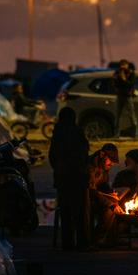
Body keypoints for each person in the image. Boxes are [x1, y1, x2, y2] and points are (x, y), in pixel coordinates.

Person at [48, 107, 90, 250]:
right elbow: (83, 154)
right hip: (78, 178)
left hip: (63, 179)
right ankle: (82, 243)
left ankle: (68, 243)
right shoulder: (77, 133)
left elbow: (53, 156)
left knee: (66, 212)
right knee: (79, 212)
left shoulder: (58, 133)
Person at [88, 143, 122, 245]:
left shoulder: (104, 166)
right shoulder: (90, 167)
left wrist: (111, 193)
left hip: (96, 196)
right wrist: (110, 203)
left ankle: (111, 239)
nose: (111, 164)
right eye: (110, 161)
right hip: (85, 198)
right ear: (102, 155)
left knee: (117, 204)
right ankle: (96, 238)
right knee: (110, 209)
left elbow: (103, 184)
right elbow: (91, 190)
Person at [113, 59, 138, 138]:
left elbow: (131, 84)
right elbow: (115, 84)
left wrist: (124, 79)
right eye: (122, 65)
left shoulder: (131, 73)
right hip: (120, 95)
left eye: (124, 65)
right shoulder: (117, 73)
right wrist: (119, 77)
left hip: (128, 96)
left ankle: (135, 134)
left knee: (131, 115)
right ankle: (116, 134)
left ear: (127, 65)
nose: (123, 67)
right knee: (118, 116)